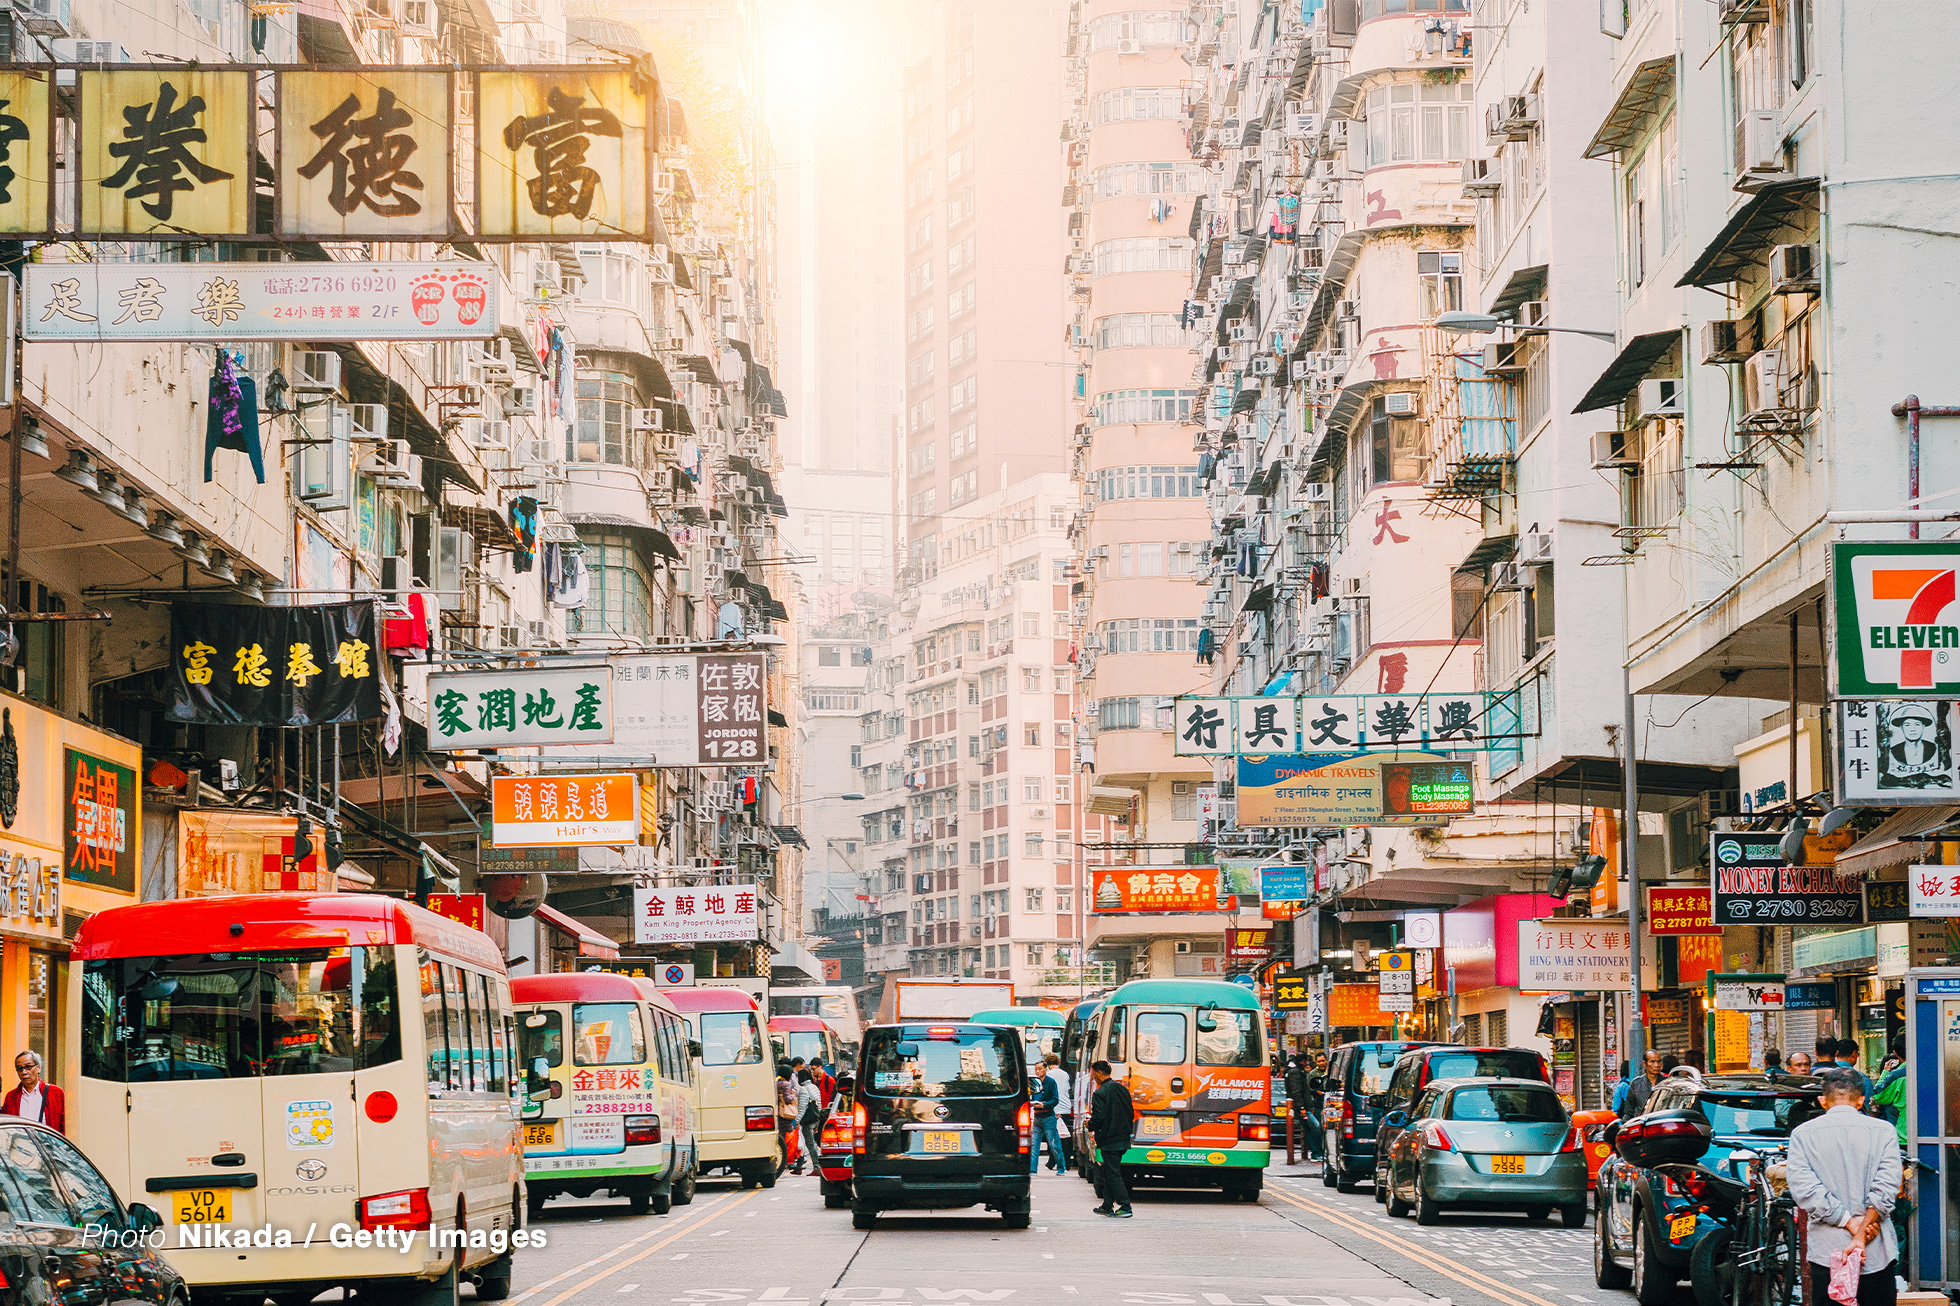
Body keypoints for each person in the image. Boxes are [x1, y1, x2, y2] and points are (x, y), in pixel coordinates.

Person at [1786, 1067, 1901, 1306]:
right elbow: (1886, 1190)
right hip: (1876, 1251)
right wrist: (1860, 1233)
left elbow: (1805, 1190)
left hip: (1828, 1253)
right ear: (1861, 1100)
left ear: (1822, 1101)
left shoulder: (1802, 1135)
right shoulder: (1884, 1131)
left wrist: (1848, 1222)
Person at [1087, 1059, 1135, 1218]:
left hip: (1109, 1139)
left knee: (1113, 1173)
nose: (1093, 1077)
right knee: (1109, 1171)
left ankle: (1125, 1206)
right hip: (1122, 1137)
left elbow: (1099, 1117)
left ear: (1100, 1073)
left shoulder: (1100, 1093)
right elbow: (1130, 1113)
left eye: (1094, 1073)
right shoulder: (1122, 1090)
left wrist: (1090, 1125)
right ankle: (1107, 1206)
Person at [2, 1051, 63, 1134]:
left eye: (28, 1067)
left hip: (46, 1145)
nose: (24, 1072)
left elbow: (64, 1127)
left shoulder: (56, 1093)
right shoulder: (11, 1097)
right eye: (20, 1069)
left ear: (38, 1068)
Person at [1031, 1058, 1065, 1174]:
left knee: (1054, 1144)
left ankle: (1061, 1167)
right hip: (1037, 1117)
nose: (1038, 1071)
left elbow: (1055, 1099)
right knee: (1034, 1145)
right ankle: (1032, 1169)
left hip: (1048, 1117)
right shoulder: (1034, 1082)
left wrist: (1044, 1105)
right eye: (1036, 1069)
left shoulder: (1051, 1082)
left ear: (1046, 1069)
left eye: (1040, 1069)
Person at [1043, 1053, 1074, 1173]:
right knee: (1064, 1137)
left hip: (1054, 1108)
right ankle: (1061, 1161)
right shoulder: (1065, 1074)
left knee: (1053, 1137)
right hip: (1065, 1108)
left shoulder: (1049, 1075)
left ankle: (1054, 1161)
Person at [1617, 1050, 1663, 1118]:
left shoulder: (1667, 1082)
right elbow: (1629, 1112)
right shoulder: (1636, 1084)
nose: (1656, 1065)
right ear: (1644, 1063)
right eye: (1652, 1062)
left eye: (1658, 1061)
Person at [795, 1067, 824, 1175]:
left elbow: (802, 1107)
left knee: (809, 1144)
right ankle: (799, 1166)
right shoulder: (815, 1087)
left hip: (807, 1120)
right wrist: (819, 1118)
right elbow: (819, 1104)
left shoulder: (803, 1089)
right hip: (816, 1117)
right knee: (808, 1143)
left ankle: (816, 1167)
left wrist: (797, 1120)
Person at [775, 1059, 799, 1173]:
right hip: (784, 1115)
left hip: (777, 1113)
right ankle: (786, 1160)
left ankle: (780, 1160)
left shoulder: (776, 1082)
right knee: (787, 1138)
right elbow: (787, 1099)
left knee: (779, 1137)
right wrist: (794, 1095)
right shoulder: (785, 1084)